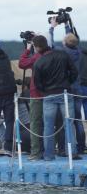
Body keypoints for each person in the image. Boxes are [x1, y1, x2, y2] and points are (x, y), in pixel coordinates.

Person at [32, 35, 81, 160]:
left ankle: (48, 155)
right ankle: (72, 153)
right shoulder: (62, 54)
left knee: (48, 126)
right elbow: (74, 72)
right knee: (68, 124)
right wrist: (67, 84)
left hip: (48, 96)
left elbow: (37, 84)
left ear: (37, 47)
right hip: (65, 93)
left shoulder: (38, 62)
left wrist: (45, 92)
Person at [49, 17, 85, 154]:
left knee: (66, 120)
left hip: (67, 89)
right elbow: (71, 40)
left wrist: (52, 27)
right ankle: (81, 147)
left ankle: (66, 148)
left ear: (65, 43)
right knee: (77, 120)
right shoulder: (78, 51)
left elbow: (50, 45)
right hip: (79, 88)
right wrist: (66, 25)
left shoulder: (63, 52)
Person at [18, 38, 45, 160]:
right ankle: (49, 149)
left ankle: (36, 152)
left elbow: (22, 64)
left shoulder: (36, 57)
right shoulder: (50, 54)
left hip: (37, 95)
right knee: (48, 123)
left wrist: (27, 49)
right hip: (49, 93)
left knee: (35, 122)